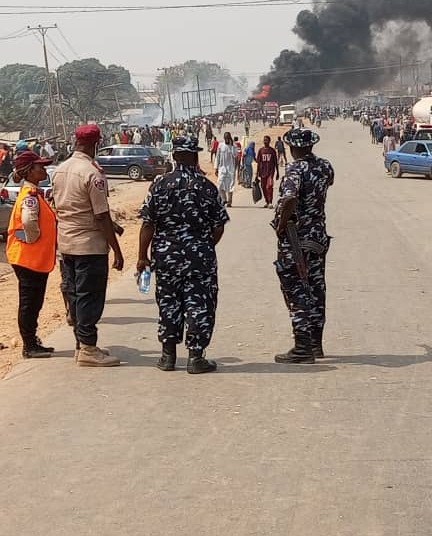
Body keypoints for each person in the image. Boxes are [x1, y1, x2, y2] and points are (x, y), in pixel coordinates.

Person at [137, 136, 229, 374]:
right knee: (199, 304)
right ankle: (196, 358)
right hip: (200, 257)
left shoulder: (159, 185)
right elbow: (219, 225)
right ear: (195, 156)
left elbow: (148, 224)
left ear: (175, 156)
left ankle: (168, 357)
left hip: (166, 256)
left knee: (168, 302)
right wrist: (206, 245)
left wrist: (142, 256)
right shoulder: (207, 186)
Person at [52, 125, 124, 367]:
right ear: (95, 144)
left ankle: (81, 344)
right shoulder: (93, 173)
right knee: (90, 297)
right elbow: (101, 215)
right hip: (89, 245)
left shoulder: (61, 170)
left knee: (74, 295)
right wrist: (117, 250)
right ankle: (89, 349)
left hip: (66, 242)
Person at [272, 129, 334, 364]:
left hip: (296, 237)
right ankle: (316, 344)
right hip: (318, 236)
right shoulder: (325, 166)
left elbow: (289, 198)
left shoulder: (295, 169)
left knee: (296, 290)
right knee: (317, 288)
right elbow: (330, 181)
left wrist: (280, 224)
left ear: (293, 147)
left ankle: (302, 348)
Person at [6, 151, 57, 358]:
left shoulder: (32, 193)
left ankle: (32, 339)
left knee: (34, 301)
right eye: (40, 167)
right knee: (29, 301)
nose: (44, 170)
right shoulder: (30, 197)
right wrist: (34, 237)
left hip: (33, 258)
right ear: (30, 171)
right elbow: (28, 222)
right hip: (28, 258)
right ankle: (29, 344)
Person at [215, 132, 237, 207]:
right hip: (222, 168)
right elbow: (217, 157)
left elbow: (235, 155)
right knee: (220, 183)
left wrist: (232, 145)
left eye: (228, 138)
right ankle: (224, 199)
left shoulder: (234, 146)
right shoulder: (220, 145)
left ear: (230, 138)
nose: (227, 139)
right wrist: (216, 168)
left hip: (231, 168)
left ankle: (229, 201)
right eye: (225, 138)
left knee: (230, 185)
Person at [256, 135, 279, 209]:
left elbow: (275, 162)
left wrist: (277, 172)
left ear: (269, 141)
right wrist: (257, 174)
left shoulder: (272, 151)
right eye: (264, 140)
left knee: (269, 186)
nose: (265, 141)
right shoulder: (260, 150)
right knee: (263, 187)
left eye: (267, 140)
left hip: (270, 172)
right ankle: (266, 201)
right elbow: (258, 163)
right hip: (262, 172)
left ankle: (270, 202)